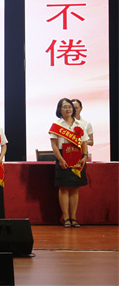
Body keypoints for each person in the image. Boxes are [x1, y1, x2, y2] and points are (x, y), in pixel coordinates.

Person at [49, 98, 90, 228]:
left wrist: (84, 156)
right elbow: (54, 145)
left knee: (75, 188)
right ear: (59, 109)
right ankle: (66, 218)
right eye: (64, 107)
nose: (68, 109)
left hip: (77, 158)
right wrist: (61, 159)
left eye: (70, 106)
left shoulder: (80, 124)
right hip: (63, 157)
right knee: (64, 188)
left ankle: (74, 218)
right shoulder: (57, 125)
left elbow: (84, 142)